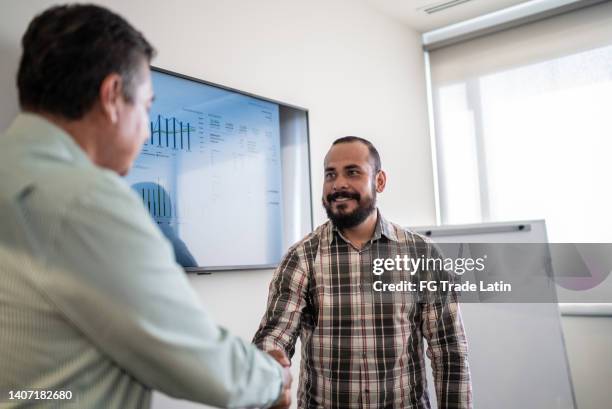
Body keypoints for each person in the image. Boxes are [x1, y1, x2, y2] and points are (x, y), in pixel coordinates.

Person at [0, 4, 290, 409]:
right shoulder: (86, 199)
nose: (149, 127)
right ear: (113, 96)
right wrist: (274, 378)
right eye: (148, 107)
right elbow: (201, 362)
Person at [253, 136, 473, 408]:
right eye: (330, 174)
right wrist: (268, 363)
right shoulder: (301, 257)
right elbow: (276, 334)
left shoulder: (422, 254)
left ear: (379, 181)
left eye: (352, 172)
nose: (339, 184)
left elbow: (449, 350)